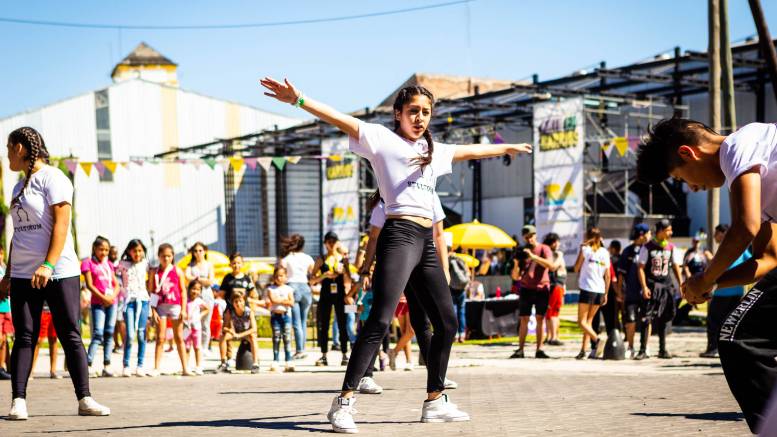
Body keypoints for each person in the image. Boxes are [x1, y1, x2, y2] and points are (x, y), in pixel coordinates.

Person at [261, 78, 530, 432]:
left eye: (426, 112)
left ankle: (435, 401)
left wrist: (507, 147)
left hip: (426, 242)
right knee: (380, 319)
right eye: (414, 111)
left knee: (447, 323)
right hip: (399, 235)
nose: (420, 118)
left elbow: (471, 150)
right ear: (398, 114)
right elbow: (337, 117)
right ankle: (343, 402)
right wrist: (298, 100)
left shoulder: (436, 152)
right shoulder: (381, 139)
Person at [637, 118, 777, 432]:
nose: (693, 188)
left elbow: (745, 228)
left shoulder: (740, 145)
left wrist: (705, 277)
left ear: (689, 153)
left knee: (741, 339)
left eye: (681, 178)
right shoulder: (748, 175)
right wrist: (709, 284)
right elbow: (767, 258)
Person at [2, 126, 109, 419]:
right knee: (25, 336)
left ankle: (85, 398)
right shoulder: (18, 187)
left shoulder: (54, 178)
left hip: (59, 271)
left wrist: (48, 264)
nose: (7, 154)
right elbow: (18, 235)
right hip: (24, 274)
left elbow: (62, 224)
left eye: (9, 148)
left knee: (69, 334)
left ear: (20, 148)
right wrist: (9, 274)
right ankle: (18, 401)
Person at [699, 224, 752, 359]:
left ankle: (713, 349)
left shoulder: (725, 248)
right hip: (736, 291)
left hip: (722, 292)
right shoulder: (741, 248)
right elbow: (751, 261)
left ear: (723, 233)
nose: (715, 237)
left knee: (714, 321)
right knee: (730, 321)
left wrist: (710, 258)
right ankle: (729, 348)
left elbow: (719, 267)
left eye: (716, 233)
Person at [635, 219, 684, 360]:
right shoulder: (647, 247)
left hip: (666, 286)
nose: (671, 232)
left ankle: (663, 349)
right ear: (661, 231)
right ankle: (643, 350)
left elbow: (675, 266)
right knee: (646, 318)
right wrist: (644, 286)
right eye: (669, 230)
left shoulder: (671, 247)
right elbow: (640, 268)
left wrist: (681, 284)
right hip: (651, 286)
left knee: (664, 317)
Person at [510, 225, 555, 359]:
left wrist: (533, 257)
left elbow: (551, 266)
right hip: (526, 288)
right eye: (526, 237)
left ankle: (539, 349)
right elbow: (515, 277)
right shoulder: (523, 252)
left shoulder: (544, 248)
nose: (529, 240)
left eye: (531, 236)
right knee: (524, 318)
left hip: (542, 288)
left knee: (540, 318)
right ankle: (520, 349)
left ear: (535, 235)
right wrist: (516, 263)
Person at [149, 243, 192, 376]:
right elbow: (151, 291)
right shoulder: (154, 272)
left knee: (179, 337)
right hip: (160, 306)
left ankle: (185, 368)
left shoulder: (178, 271)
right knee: (160, 337)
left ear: (172, 256)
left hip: (175, 306)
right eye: (163, 256)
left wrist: (184, 309)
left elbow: (183, 292)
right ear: (159, 256)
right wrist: (153, 310)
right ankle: (156, 368)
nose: (166, 259)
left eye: (169, 256)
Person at [311, 231, 352, 367]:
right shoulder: (321, 259)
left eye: (334, 241)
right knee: (324, 325)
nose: (332, 244)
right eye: (329, 242)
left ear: (338, 243)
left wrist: (344, 271)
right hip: (326, 294)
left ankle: (345, 354)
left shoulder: (343, 259)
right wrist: (324, 276)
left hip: (340, 294)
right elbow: (311, 280)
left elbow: (350, 279)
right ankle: (323, 355)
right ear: (325, 244)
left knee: (342, 324)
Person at [82, 236, 120, 377]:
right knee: (98, 333)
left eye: (106, 250)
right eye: (101, 249)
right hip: (98, 303)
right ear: (94, 249)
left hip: (112, 303)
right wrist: (103, 298)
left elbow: (116, 284)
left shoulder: (109, 264)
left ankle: (107, 364)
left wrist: (112, 297)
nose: (104, 252)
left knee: (109, 333)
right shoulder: (88, 263)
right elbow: (90, 285)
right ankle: (88, 364)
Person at [573, 227, 611, 360]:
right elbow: (608, 276)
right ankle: (583, 350)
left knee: (581, 322)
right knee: (588, 322)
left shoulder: (585, 250)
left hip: (587, 289)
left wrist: (581, 250)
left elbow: (576, 268)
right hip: (600, 290)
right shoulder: (605, 252)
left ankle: (597, 340)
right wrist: (606, 293)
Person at [117, 239, 150, 377]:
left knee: (142, 334)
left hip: (143, 301)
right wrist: (121, 292)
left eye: (140, 251)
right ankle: (126, 364)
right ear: (129, 251)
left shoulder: (146, 264)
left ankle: (140, 365)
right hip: (129, 302)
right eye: (134, 250)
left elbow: (152, 281)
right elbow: (114, 279)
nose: (137, 253)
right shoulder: (122, 265)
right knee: (130, 334)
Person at [617, 223, 651, 358]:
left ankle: (645, 346)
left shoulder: (649, 249)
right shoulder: (628, 251)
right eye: (648, 233)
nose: (650, 235)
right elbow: (621, 274)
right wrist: (619, 291)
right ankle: (630, 347)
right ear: (641, 234)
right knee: (630, 320)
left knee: (646, 320)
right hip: (631, 292)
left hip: (646, 292)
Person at [280, 234, 315, 360]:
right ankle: (302, 348)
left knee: (296, 322)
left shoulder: (286, 259)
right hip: (305, 287)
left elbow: (281, 273)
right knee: (303, 321)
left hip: (292, 287)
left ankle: (299, 350)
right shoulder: (308, 258)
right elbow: (312, 272)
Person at [219, 252, 257, 365]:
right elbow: (221, 294)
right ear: (230, 264)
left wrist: (249, 302)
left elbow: (254, 294)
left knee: (250, 335)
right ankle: (227, 359)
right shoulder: (227, 278)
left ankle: (255, 362)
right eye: (234, 263)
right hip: (230, 311)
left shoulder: (246, 278)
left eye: (239, 263)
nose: (236, 265)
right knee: (226, 334)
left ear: (242, 264)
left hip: (244, 312)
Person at [217, 290, 260, 374]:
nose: (238, 303)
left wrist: (240, 335)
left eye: (240, 301)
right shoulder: (230, 312)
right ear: (232, 303)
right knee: (222, 337)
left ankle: (255, 364)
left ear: (244, 301)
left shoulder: (249, 312)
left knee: (253, 337)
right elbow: (224, 327)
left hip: (246, 333)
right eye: (235, 301)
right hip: (235, 333)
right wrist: (231, 331)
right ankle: (223, 363)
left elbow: (254, 329)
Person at [184, 242, 216, 352]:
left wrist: (197, 279)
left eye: (200, 250)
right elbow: (187, 277)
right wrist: (201, 279)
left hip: (207, 295)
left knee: (206, 323)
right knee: (192, 321)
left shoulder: (209, 264)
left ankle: (204, 347)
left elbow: (211, 281)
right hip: (193, 296)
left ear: (205, 251)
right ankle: (192, 345)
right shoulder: (190, 265)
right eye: (196, 251)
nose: (198, 253)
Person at [267, 266, 295, 372]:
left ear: (285, 277)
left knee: (287, 338)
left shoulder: (289, 289)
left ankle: (289, 360)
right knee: (276, 338)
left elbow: (292, 302)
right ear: (274, 277)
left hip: (286, 316)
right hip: (275, 317)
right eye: (277, 276)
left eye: (282, 275)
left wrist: (280, 300)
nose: (279, 278)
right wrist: (284, 300)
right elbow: (273, 300)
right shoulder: (271, 289)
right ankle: (276, 360)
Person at [543, 233, 566, 346]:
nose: (558, 244)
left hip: (559, 285)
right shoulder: (553, 255)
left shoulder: (554, 254)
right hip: (554, 285)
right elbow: (554, 266)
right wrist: (560, 256)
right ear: (553, 243)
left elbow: (563, 271)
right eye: (557, 241)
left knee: (553, 312)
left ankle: (551, 336)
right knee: (552, 312)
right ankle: (553, 337)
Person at [184, 279, 208, 375]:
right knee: (187, 347)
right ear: (189, 289)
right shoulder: (185, 300)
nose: (195, 291)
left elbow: (207, 309)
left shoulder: (199, 301)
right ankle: (186, 366)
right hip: (186, 327)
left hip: (196, 328)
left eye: (198, 289)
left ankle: (198, 366)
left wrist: (200, 316)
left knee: (197, 347)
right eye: (193, 289)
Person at [30, 302, 60, 379]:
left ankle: (53, 371)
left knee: (53, 339)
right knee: (38, 341)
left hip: (55, 310)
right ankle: (30, 371)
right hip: (42, 310)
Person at [448, 251, 470, 344]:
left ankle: (455, 335)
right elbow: (467, 273)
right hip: (462, 289)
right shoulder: (461, 259)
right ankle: (462, 335)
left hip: (452, 289)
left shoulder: (448, 260)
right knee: (462, 312)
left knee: (454, 312)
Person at [109, 245, 125, 355]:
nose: (114, 255)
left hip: (120, 297)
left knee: (120, 321)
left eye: (116, 253)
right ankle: (116, 344)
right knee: (113, 323)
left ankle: (124, 343)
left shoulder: (120, 266)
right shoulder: (106, 265)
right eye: (112, 253)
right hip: (110, 297)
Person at [0, 246, 11, 380]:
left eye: (1, 253)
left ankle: (2, 367)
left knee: (4, 340)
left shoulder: (4, 268)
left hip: (5, 307)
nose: (0, 256)